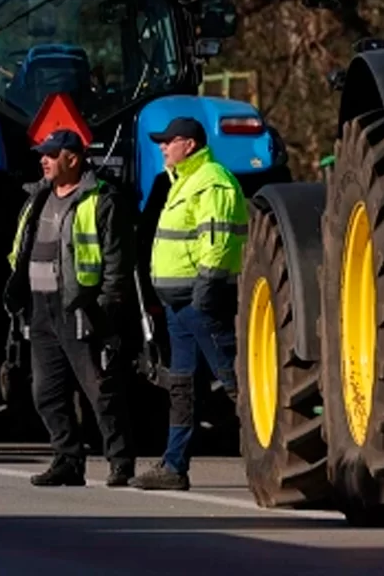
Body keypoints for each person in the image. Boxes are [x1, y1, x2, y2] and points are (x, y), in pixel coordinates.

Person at [5, 128, 137, 487]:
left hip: (81, 307)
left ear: (73, 159)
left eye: (51, 154)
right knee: (46, 393)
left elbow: (117, 261)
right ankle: (67, 460)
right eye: (42, 154)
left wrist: (106, 308)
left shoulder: (102, 199)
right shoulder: (38, 197)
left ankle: (120, 462)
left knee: (100, 389)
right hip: (40, 308)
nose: (43, 160)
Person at [132, 117, 247, 491]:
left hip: (200, 301)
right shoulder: (181, 181)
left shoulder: (211, 181)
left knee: (234, 378)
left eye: (169, 141)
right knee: (183, 387)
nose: (163, 147)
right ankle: (173, 466)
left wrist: (206, 290)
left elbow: (218, 240)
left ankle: (279, 453)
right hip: (178, 304)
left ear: (190, 144)